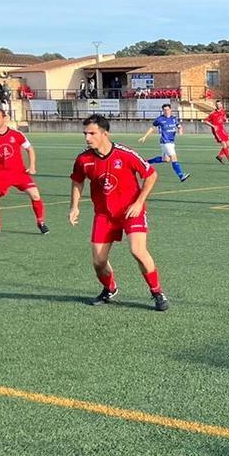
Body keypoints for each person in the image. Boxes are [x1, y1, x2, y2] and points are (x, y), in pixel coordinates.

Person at [69, 114, 169, 312]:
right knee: (98, 262)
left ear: (105, 133)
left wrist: (139, 202)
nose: (87, 138)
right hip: (104, 214)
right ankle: (110, 288)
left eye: (92, 133)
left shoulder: (125, 154)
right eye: (85, 134)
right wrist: (74, 206)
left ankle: (157, 292)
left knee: (138, 251)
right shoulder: (83, 159)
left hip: (131, 211)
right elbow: (77, 181)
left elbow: (151, 175)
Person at [0, 107, 48, 236]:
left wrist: (32, 166)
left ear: (5, 118)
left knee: (35, 195)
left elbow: (30, 149)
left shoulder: (17, 135)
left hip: (19, 173)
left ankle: (41, 222)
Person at [138, 103, 190, 182]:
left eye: (168, 110)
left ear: (170, 110)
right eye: (164, 110)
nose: (166, 111)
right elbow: (152, 127)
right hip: (165, 142)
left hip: (171, 142)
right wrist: (145, 136)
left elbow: (178, 125)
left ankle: (146, 162)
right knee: (174, 158)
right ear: (162, 111)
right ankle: (181, 175)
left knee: (165, 159)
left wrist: (180, 130)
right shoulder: (160, 119)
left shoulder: (173, 118)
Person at [205, 100, 229, 165]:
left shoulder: (223, 111)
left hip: (222, 129)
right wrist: (213, 126)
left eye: (219, 104)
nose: (218, 106)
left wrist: (225, 119)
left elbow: (224, 117)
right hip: (217, 131)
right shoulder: (212, 113)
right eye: (217, 105)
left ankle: (220, 156)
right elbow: (205, 121)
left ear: (221, 105)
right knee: (224, 145)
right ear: (215, 105)